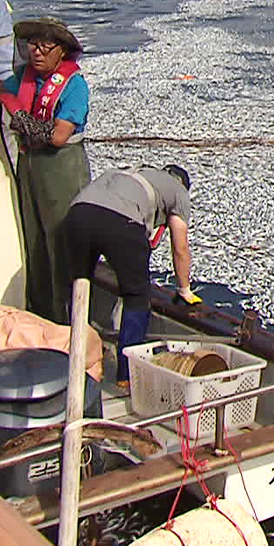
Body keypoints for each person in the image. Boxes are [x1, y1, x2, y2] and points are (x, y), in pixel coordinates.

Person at [58, 164, 201, 388]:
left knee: (80, 285)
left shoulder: (128, 172)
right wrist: (184, 290)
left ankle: (73, 358)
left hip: (77, 215)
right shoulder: (178, 191)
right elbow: (180, 246)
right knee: (136, 295)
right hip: (121, 223)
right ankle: (126, 374)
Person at [0, 17, 91, 324]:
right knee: (33, 238)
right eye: (32, 44)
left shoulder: (74, 86)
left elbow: (58, 135)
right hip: (30, 164)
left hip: (61, 167)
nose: (36, 51)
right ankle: (39, 312)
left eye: (45, 45)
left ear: (61, 51)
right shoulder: (22, 79)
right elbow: (0, 89)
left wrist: (20, 118)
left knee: (60, 241)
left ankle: (67, 319)